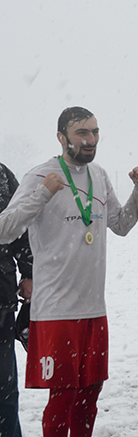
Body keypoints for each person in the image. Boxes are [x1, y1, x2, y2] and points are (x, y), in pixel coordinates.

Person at [0, 107, 138, 437]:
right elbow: (4, 230)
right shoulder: (40, 176)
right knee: (62, 397)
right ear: (61, 136)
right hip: (56, 312)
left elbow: (121, 226)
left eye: (94, 132)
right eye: (82, 133)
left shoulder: (100, 175)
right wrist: (43, 195)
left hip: (94, 309)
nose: (90, 139)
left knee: (89, 397)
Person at [0, 163, 33, 436]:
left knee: (3, 387)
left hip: (0, 297)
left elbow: (21, 226)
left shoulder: (0, 174)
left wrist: (30, 272)